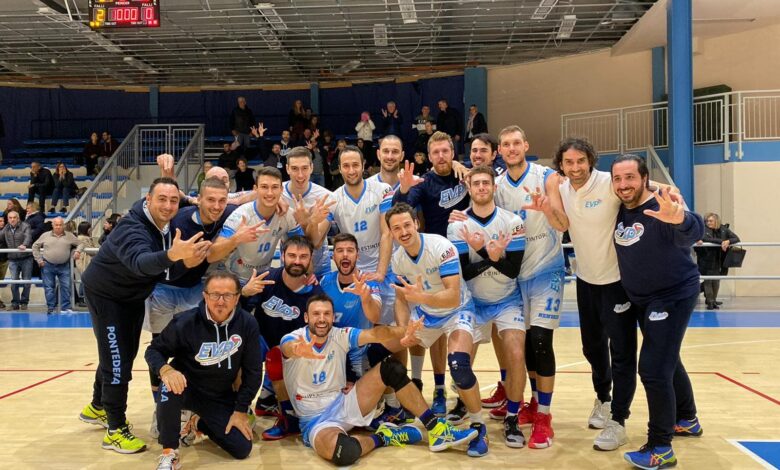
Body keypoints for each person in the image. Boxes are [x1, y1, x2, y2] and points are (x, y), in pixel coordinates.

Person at [77, 174, 211, 454]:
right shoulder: (133, 228)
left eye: (173, 200)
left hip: (131, 296)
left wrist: (186, 261)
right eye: (161, 199)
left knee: (121, 353)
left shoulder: (164, 226)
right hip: (107, 297)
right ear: (147, 200)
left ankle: (98, 406)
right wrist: (173, 255)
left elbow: (163, 271)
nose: (168, 205)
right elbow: (141, 263)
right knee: (118, 363)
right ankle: (115, 430)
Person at [282, 293, 478, 466]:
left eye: (326, 314)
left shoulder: (340, 335)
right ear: (306, 317)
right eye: (316, 314)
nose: (321, 319)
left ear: (333, 317)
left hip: (345, 402)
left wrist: (405, 330)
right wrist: (298, 350)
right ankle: (384, 437)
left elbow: (376, 334)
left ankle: (436, 430)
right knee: (344, 452)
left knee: (391, 368)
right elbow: (287, 348)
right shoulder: (293, 339)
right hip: (316, 421)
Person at [546, 138, 641, 450]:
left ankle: (619, 420)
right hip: (586, 281)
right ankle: (603, 398)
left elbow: (643, 189)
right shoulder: (561, 189)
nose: (575, 168)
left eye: (581, 161)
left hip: (617, 281)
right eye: (569, 162)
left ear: (590, 161)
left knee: (623, 353)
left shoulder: (608, 183)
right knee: (592, 348)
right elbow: (560, 222)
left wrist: (672, 192)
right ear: (561, 165)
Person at [610, 154, 704, 469]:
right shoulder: (621, 207)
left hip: (672, 295)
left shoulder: (663, 204)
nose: (623, 184)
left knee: (652, 369)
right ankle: (687, 418)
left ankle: (660, 447)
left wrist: (680, 219)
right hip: (641, 299)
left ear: (645, 179)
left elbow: (693, 230)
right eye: (618, 179)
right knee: (667, 359)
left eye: (630, 178)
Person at [387, 203, 488, 457]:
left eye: (407, 225)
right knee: (391, 360)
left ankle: (479, 425)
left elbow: (452, 297)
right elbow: (400, 300)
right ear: (391, 232)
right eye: (397, 228)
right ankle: (424, 418)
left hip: (457, 310)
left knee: (459, 366)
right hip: (427, 314)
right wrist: (404, 330)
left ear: (416, 224)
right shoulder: (397, 260)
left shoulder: (441, 246)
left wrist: (421, 298)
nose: (403, 232)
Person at [490, 125, 567, 448]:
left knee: (541, 341)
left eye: (516, 143)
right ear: (500, 151)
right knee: (526, 348)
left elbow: (564, 224)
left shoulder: (546, 176)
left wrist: (546, 208)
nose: (511, 149)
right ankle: (535, 402)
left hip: (546, 269)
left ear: (526, 145)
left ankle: (545, 418)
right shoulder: (495, 185)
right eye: (505, 144)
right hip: (515, 276)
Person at [144, 177, 236, 437]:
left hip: (193, 289)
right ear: (199, 199)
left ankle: (187, 409)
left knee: (193, 348)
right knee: (160, 347)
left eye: (221, 201)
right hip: (163, 289)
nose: (216, 205)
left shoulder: (226, 213)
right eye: (210, 200)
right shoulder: (179, 219)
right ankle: (161, 410)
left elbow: (249, 198)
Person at [146, 271, 261, 469]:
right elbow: (154, 350)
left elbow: (254, 371)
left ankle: (197, 422)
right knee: (169, 385)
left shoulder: (247, 324)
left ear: (237, 298)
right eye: (215, 294)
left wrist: (241, 409)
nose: (220, 301)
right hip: (185, 389)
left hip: (218, 396)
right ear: (205, 296)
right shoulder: (185, 322)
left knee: (242, 448)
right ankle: (169, 453)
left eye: (227, 295)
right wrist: (166, 370)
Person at [447, 166, 527, 448]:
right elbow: (464, 273)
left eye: (486, 183)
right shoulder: (457, 225)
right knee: (459, 361)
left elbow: (513, 270)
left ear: (494, 187)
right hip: (470, 302)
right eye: (476, 183)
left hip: (507, 299)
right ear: (469, 188)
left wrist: (483, 253)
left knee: (516, 353)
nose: (481, 187)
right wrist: (490, 256)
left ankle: (513, 417)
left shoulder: (513, 222)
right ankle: (467, 408)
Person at [392, 131, 469, 415]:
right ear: (429, 155)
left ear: (453, 152)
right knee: (433, 329)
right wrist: (403, 190)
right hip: (437, 261)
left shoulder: (466, 175)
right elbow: (399, 210)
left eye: (445, 151)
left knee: (468, 331)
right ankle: (435, 387)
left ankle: (463, 389)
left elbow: (490, 175)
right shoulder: (424, 183)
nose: (441, 156)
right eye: (435, 152)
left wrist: (467, 169)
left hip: (469, 256)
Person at [240, 236, 325, 440]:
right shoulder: (266, 278)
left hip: (292, 348)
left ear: (310, 258)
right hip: (262, 339)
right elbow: (239, 316)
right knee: (237, 351)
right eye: (292, 255)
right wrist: (243, 294)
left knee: (278, 357)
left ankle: (287, 416)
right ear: (283, 255)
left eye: (303, 256)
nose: (297, 261)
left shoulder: (315, 293)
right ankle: (241, 409)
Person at [329, 146, 395, 322]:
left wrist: (380, 272)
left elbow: (387, 233)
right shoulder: (333, 199)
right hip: (355, 272)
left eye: (355, 165)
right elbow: (317, 238)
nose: (351, 170)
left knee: (390, 326)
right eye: (346, 166)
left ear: (363, 165)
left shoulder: (383, 190)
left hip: (385, 268)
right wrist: (310, 221)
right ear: (340, 168)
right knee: (364, 325)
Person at [207, 167, 302, 283]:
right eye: (264, 187)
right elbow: (211, 256)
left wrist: (307, 274)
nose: (270, 193)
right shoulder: (240, 216)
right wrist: (235, 239)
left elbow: (302, 246)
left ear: (281, 190)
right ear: (255, 189)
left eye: (275, 187)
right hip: (236, 279)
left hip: (264, 277)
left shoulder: (287, 214)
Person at [319, 233, 383, 381]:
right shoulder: (324, 282)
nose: (345, 254)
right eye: (340, 250)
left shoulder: (369, 282)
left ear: (357, 256)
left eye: (350, 250)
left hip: (360, 353)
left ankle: (389, 397)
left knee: (390, 369)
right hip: (332, 353)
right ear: (333, 256)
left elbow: (375, 317)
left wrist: (365, 297)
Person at [282, 147, 336, 278]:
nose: (300, 175)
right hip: (289, 268)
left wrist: (306, 222)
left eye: (305, 168)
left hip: (319, 269)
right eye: (295, 168)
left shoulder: (325, 197)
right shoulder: (276, 192)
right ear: (287, 168)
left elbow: (316, 243)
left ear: (312, 168)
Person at [31, 217, 80, 314]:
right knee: (49, 288)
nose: (58, 227)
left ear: (63, 225)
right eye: (56, 225)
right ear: (52, 225)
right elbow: (35, 246)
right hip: (47, 265)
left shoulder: (70, 235)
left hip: (64, 265)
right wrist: (39, 260)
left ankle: (65, 308)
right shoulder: (45, 235)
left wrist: (78, 251)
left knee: (66, 287)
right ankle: (51, 308)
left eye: (60, 225)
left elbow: (80, 243)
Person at [696, 213, 740, 309]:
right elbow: (705, 239)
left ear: (717, 221)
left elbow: (736, 238)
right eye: (707, 221)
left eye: (711, 221)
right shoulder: (703, 229)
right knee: (708, 280)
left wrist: (728, 241)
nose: (708, 223)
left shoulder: (724, 229)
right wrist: (722, 242)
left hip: (720, 260)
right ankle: (710, 302)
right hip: (706, 260)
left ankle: (711, 299)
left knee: (716, 281)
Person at [2, 211, 32, 310]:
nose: (12, 219)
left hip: (26, 258)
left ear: (18, 218)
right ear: (8, 219)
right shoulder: (6, 227)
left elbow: (28, 237)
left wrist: (25, 245)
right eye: (10, 218)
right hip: (12, 259)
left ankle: (24, 302)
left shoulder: (25, 226)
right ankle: (15, 302)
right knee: (14, 281)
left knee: (26, 281)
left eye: (14, 217)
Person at [75, 221, 98, 308]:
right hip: (84, 261)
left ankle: (84, 298)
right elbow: (91, 250)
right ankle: (82, 298)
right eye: (89, 228)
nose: (90, 229)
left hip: (86, 261)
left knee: (85, 280)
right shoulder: (82, 239)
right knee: (84, 280)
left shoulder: (86, 238)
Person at [0, 217, 7, 309]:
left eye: (3, 221)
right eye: (0, 221)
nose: (2, 223)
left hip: (4, 260)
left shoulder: (8, 231)